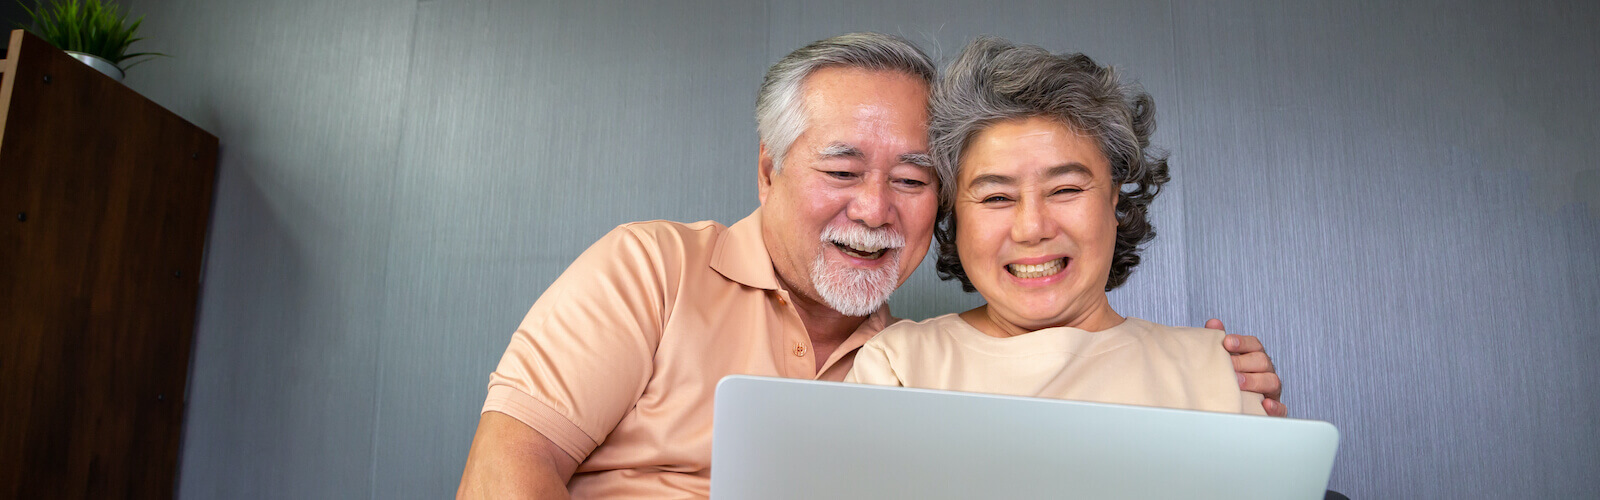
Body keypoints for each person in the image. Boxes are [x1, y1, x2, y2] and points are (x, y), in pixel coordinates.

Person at [457, 33, 1283, 499]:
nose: (875, 208)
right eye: (843, 170)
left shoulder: (887, 351)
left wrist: (1206, 379)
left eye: (913, 179)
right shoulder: (654, 267)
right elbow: (510, 463)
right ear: (768, 170)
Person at [847, 36, 1264, 415]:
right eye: (996, 197)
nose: (1032, 228)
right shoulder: (898, 365)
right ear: (953, 213)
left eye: (1065, 189)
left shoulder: (1216, 371)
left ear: (1114, 193)